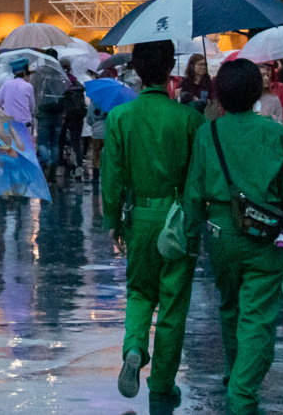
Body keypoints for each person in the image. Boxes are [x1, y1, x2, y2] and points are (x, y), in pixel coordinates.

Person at [181, 59, 283, 415]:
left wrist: (191, 235)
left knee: (229, 304)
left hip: (220, 232)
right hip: (265, 234)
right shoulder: (272, 132)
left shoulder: (209, 132)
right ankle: (242, 390)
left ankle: (232, 371)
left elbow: (194, 192)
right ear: (257, 91)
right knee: (258, 315)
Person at [102, 40, 202, 405]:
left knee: (140, 291)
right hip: (179, 218)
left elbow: (111, 177)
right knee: (174, 304)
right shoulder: (190, 118)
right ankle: (162, 382)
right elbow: (197, 177)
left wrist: (112, 221)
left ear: (137, 71)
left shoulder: (120, 117)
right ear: (171, 68)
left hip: (138, 218)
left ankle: (134, 347)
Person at [0, 67, 35, 155]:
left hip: (10, 124)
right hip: (25, 125)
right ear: (25, 75)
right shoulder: (29, 86)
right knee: (26, 151)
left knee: (11, 151)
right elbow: (32, 107)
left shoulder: (6, 84)